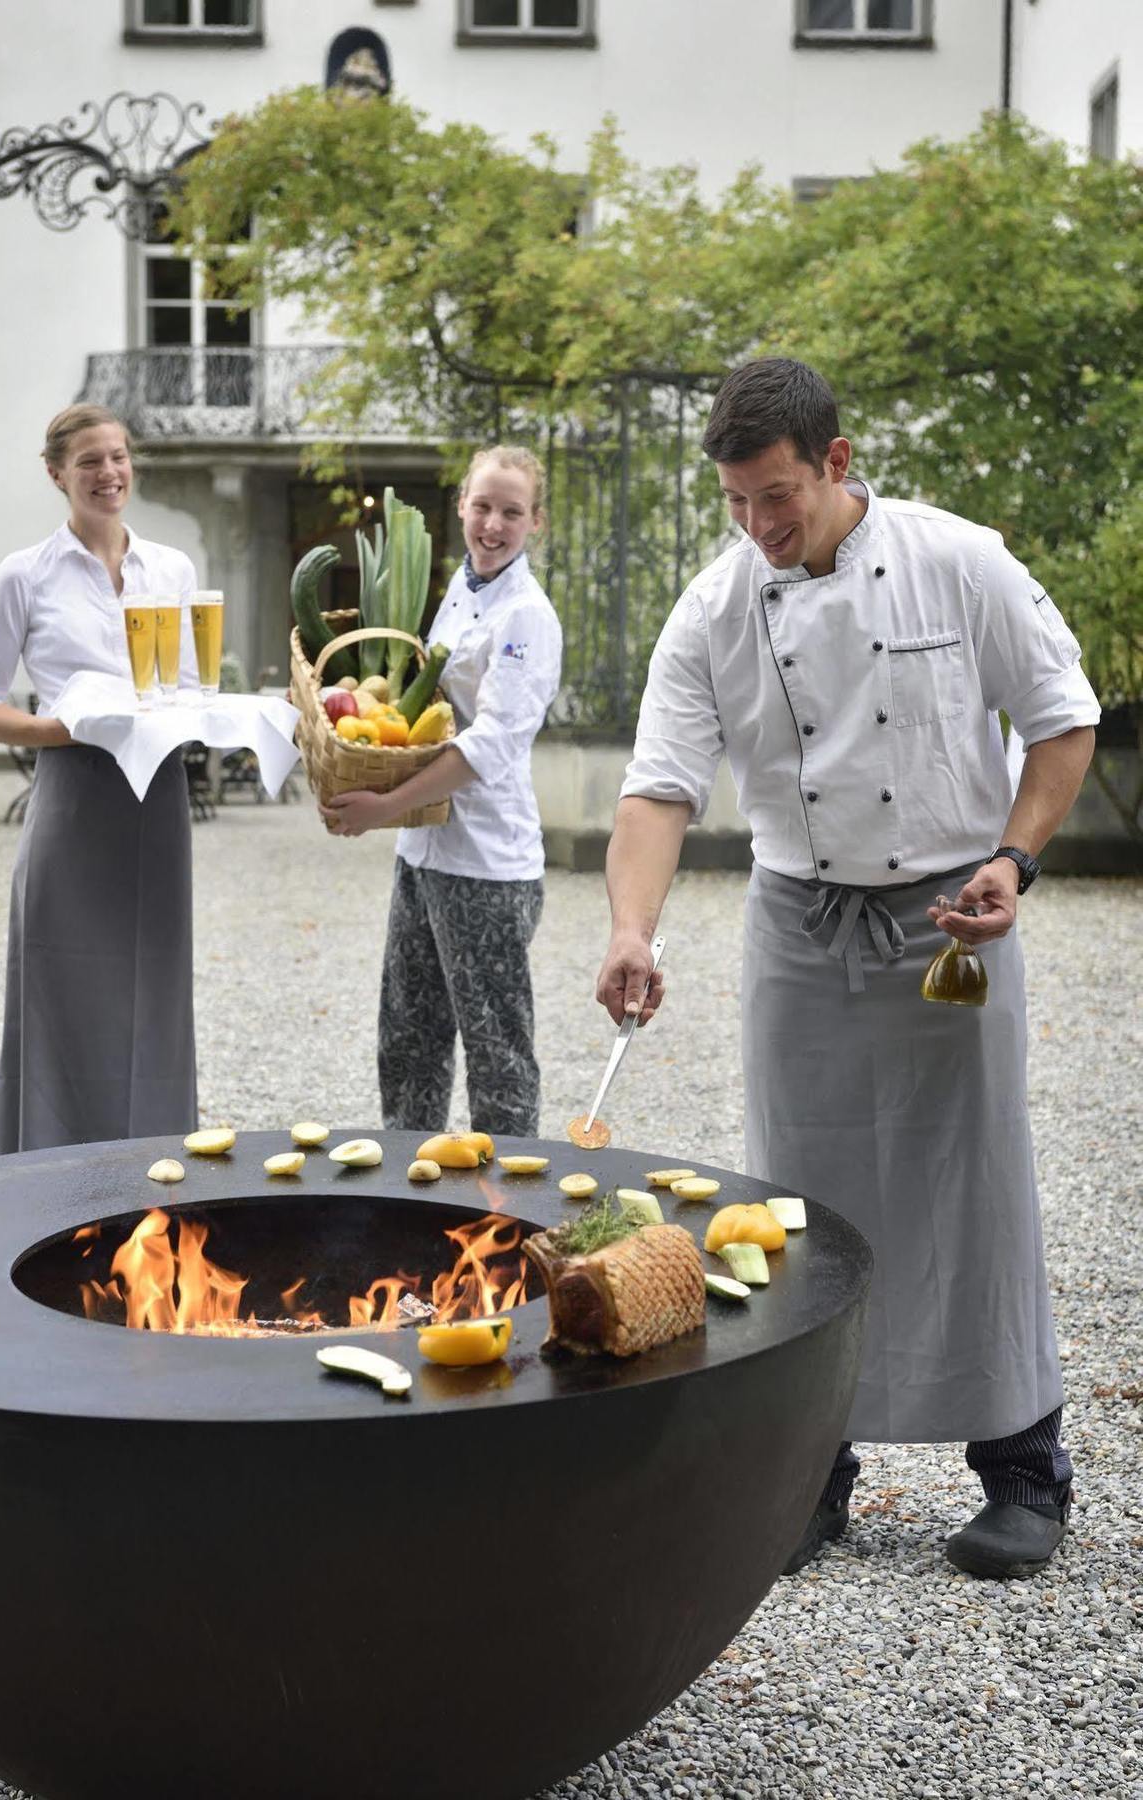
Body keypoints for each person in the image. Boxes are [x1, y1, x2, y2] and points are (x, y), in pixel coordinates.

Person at [595, 358, 1099, 1580]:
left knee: (973, 1186)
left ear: (836, 461)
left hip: (948, 922)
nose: (760, 528)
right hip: (797, 923)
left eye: (778, 497)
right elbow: (659, 788)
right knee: (795, 1203)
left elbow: (1062, 715)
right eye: (735, 503)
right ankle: (810, 1479)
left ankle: (1025, 1470)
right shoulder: (714, 607)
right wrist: (629, 929)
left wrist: (1013, 861)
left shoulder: (958, 560)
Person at [0, 403, 200, 1154]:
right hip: (70, 798)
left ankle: (156, 1168)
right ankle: (44, 1171)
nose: (109, 473)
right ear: (56, 473)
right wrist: (56, 732)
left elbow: (187, 685)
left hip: (157, 797)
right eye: (91, 460)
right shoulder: (22, 575)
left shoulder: (173, 569)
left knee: (154, 989)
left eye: (120, 457)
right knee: (59, 989)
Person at [323, 446, 562, 1136]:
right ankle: (409, 1198)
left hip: (486, 864)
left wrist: (383, 809)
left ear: (534, 522)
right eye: (482, 506)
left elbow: (490, 744)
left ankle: (509, 1219)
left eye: (511, 512)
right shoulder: (463, 588)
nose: (493, 524)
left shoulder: (527, 617)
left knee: (498, 1057)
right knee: (408, 1042)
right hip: (424, 853)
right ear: (461, 506)